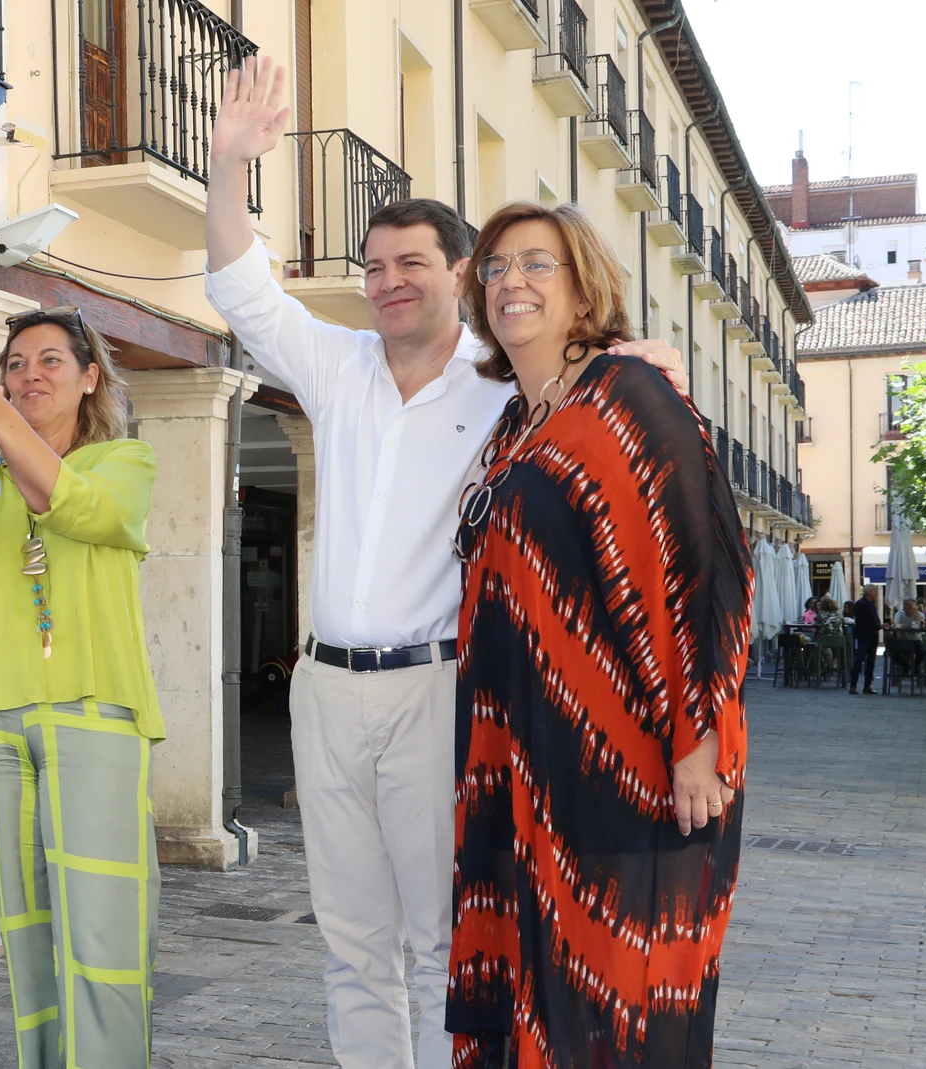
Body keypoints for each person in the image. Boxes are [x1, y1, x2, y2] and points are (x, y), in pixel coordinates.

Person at [202, 56, 685, 1069]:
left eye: (411, 263)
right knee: (351, 940)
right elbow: (242, 291)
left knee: (439, 941)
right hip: (324, 690)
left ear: (460, 273)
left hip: (434, 691)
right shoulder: (335, 367)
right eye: (374, 267)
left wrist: (633, 362)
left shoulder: (498, 386)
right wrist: (226, 164)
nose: (387, 282)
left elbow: (589, 375)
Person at [448, 200, 749, 1068]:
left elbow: (704, 564)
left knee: (619, 1000)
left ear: (585, 289)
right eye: (497, 268)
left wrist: (698, 741)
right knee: (540, 997)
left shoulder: (628, 394)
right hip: (526, 767)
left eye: (538, 264)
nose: (512, 282)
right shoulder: (515, 427)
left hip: (631, 764)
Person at [0, 308, 162, 1068]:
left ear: (89, 378)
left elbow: (77, 507)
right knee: (28, 938)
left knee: (103, 934)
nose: (29, 376)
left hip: (93, 713)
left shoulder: (122, 462)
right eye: (15, 363)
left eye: (50, 361)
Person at [849, 586, 881, 695]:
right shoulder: (861, 604)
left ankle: (867, 685)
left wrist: (878, 625)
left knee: (871, 661)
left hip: (873, 636)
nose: (876, 593)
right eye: (874, 591)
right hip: (863, 636)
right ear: (869, 592)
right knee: (859, 660)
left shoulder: (872, 604)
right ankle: (853, 685)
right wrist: (878, 626)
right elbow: (863, 621)